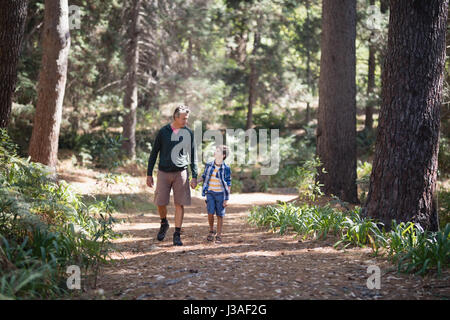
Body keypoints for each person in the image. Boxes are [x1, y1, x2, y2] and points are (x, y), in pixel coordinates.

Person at [146, 105, 198, 246]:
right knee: (160, 202)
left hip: (180, 172)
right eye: (183, 119)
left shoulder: (188, 133)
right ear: (175, 117)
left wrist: (194, 175)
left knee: (179, 204)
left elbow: (193, 155)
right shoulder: (164, 132)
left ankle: (177, 234)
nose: (185, 121)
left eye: (187, 119)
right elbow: (154, 153)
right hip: (163, 172)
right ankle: (164, 222)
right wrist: (149, 173)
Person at [197, 145, 231, 244]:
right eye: (215, 151)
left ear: (223, 155)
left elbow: (228, 183)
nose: (215, 152)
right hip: (210, 193)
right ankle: (211, 230)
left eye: (218, 151)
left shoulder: (226, 168)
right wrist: (196, 182)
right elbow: (204, 176)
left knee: (220, 215)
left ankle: (219, 234)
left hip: (221, 194)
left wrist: (226, 199)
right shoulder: (209, 165)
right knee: (210, 212)